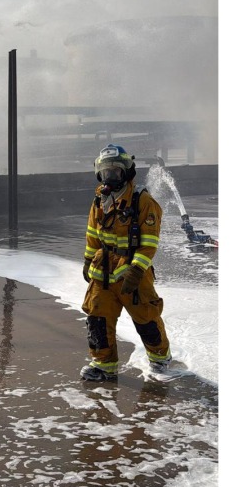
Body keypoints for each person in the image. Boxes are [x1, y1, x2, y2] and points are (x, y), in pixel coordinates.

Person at [80, 144, 172, 381]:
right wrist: (88, 260)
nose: (110, 176)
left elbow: (149, 242)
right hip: (103, 271)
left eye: (115, 171)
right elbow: (92, 235)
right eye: (106, 171)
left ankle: (160, 359)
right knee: (97, 319)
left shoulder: (143, 201)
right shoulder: (99, 200)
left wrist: (137, 270)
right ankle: (104, 366)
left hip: (133, 272)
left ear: (126, 172)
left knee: (146, 319)